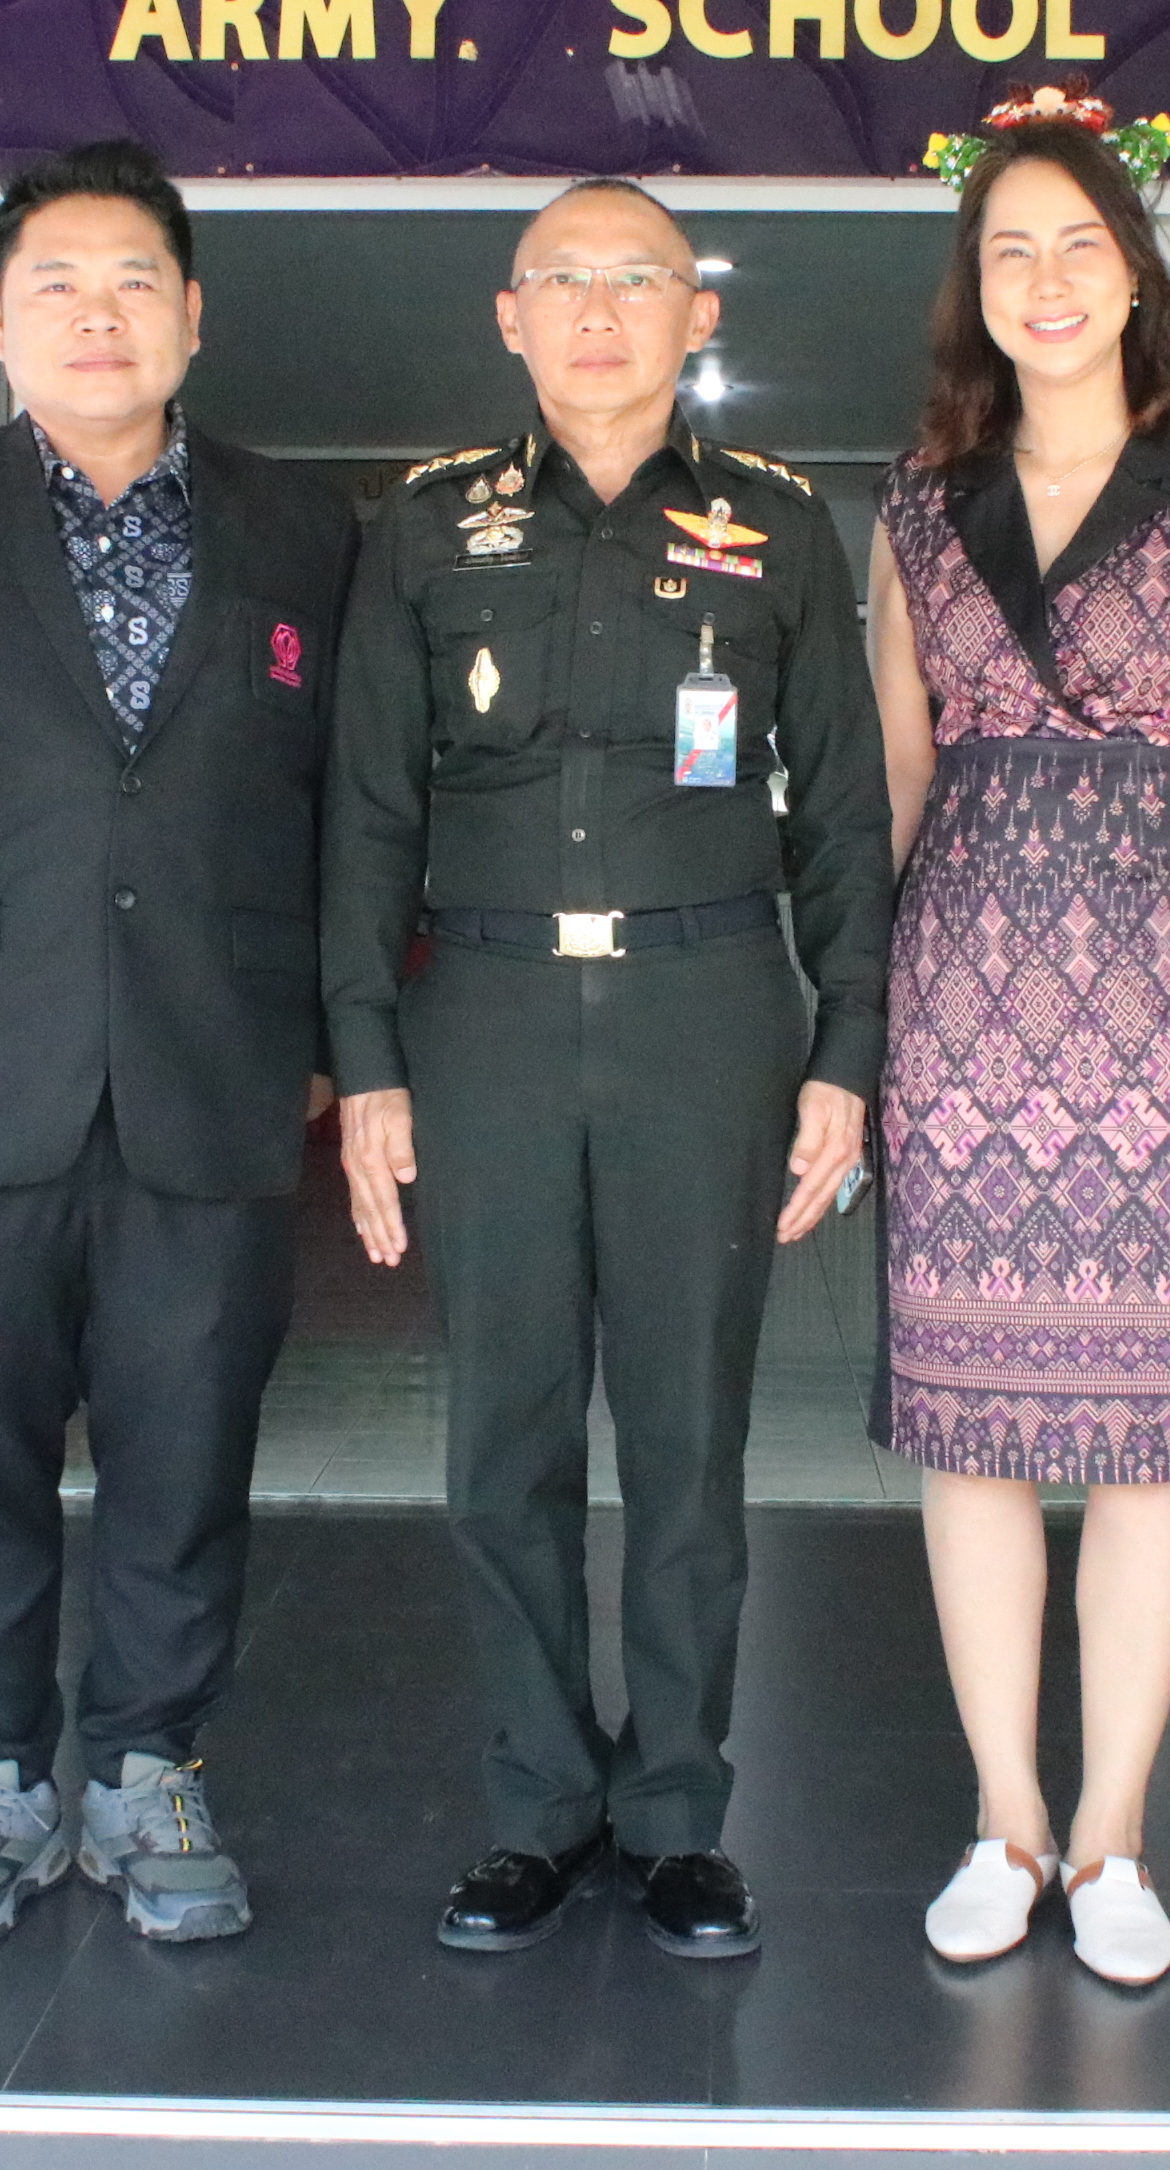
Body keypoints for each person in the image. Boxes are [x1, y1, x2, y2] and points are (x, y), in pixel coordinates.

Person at [0, 139, 356, 1953]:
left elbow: (349, 812)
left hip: (214, 1070)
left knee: (187, 1455)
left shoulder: (304, 531)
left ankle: (151, 1766)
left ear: (193, 315)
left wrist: (336, 1043)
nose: (99, 318)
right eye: (59, 287)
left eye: (133, 284)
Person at [322, 177, 894, 1961]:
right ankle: (538, 1805)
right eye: (560, 280)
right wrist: (365, 1060)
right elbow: (365, 811)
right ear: (509, 316)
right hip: (482, 1017)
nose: (596, 310)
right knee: (501, 1440)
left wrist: (845, 1048)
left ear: (694, 316)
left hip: (705, 1013)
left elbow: (845, 814)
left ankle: (678, 1812)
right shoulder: (426, 525)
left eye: (634, 279)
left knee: (687, 1438)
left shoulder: (779, 526)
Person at [866, 100, 1170, 1988]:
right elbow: (896, 781)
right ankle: (1008, 1819)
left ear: (1135, 275)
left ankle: (1117, 1832)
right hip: (958, 1009)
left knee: (1148, 1441)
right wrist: (855, 1032)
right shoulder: (918, 501)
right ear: (974, 290)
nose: (1045, 281)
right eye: (1009, 253)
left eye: (1077, 246)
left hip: (1164, 1007)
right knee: (969, 1435)